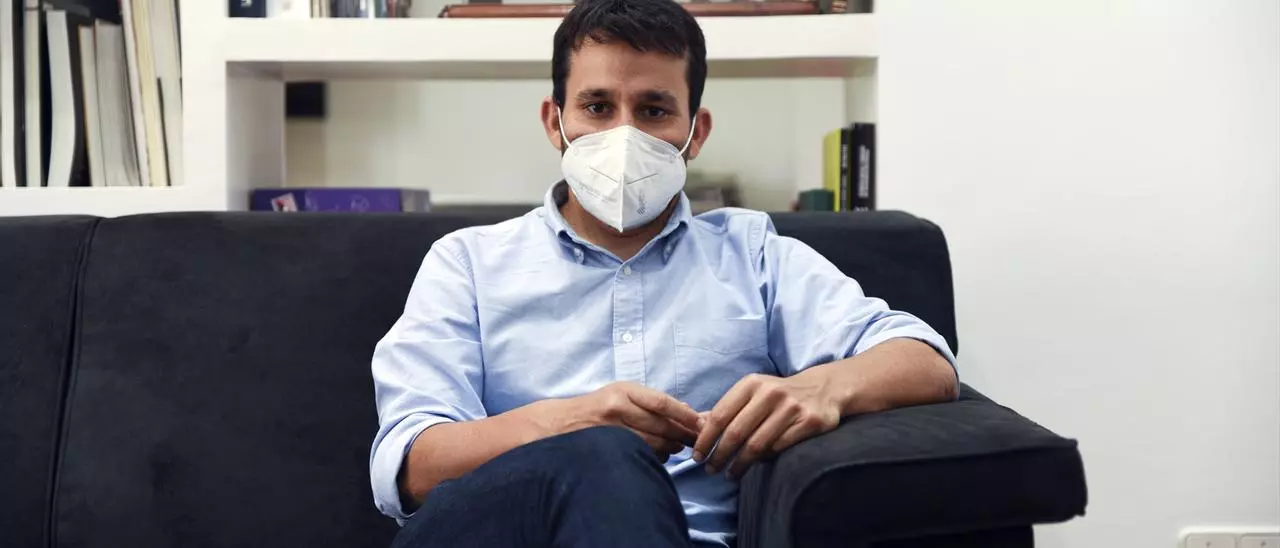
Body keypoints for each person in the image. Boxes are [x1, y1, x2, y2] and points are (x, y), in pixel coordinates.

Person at [369, 0, 958, 545]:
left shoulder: (753, 255)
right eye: (597, 107)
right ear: (555, 122)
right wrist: (571, 423)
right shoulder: (468, 262)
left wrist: (819, 389)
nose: (623, 136)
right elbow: (408, 466)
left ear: (695, 132)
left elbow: (926, 363)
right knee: (602, 453)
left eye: (653, 110)